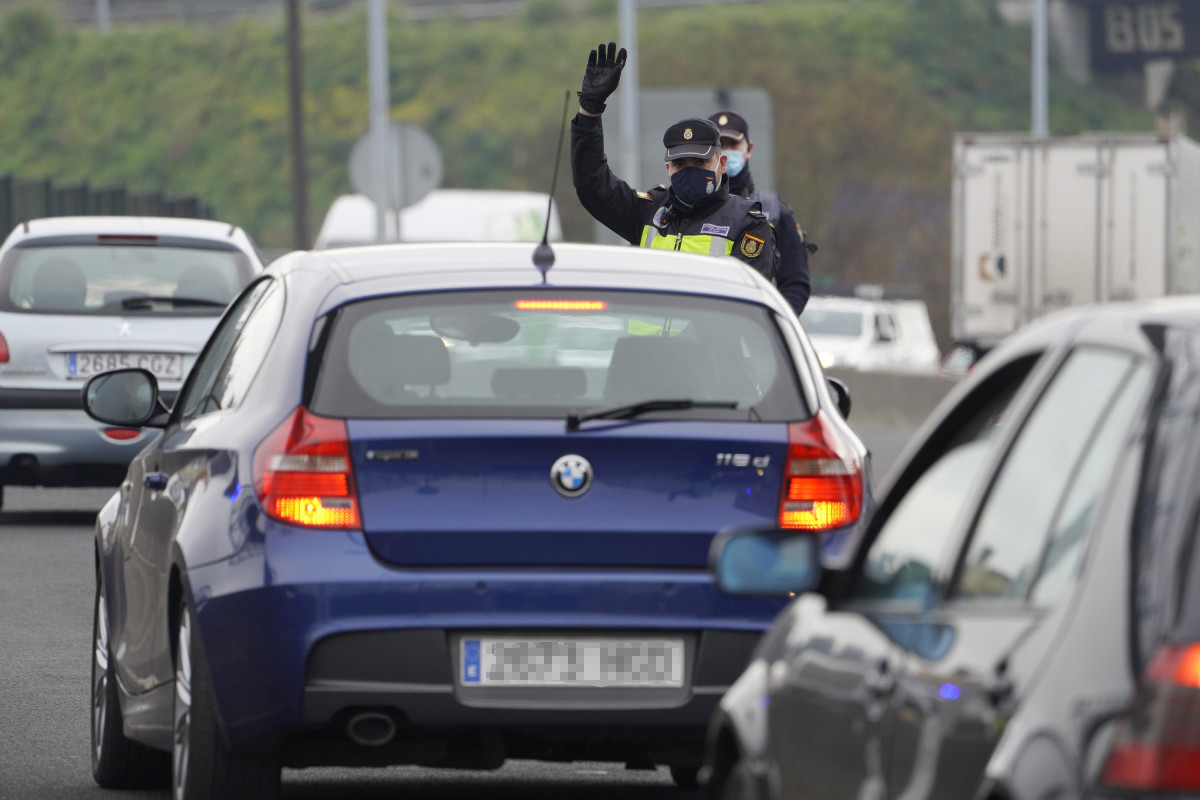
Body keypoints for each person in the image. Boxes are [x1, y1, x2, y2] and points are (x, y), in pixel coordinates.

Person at [571, 43, 779, 280]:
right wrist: (590, 112)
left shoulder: (748, 225)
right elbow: (592, 185)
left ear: (721, 165)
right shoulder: (648, 212)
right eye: (680, 164)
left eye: (700, 163)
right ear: (668, 169)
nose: (690, 170)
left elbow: (744, 305)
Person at [708, 110, 813, 315]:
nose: (727, 152)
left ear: (749, 149)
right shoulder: (686, 206)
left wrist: (770, 325)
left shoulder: (773, 211)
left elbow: (795, 283)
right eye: (721, 145)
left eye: (733, 144)